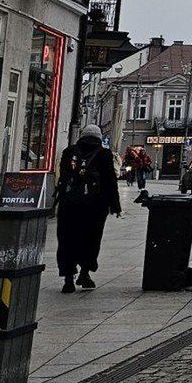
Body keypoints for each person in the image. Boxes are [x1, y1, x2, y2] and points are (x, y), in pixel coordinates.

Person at [56, 125, 121, 293]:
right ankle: (84, 274)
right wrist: (115, 205)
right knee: (91, 239)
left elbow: (63, 177)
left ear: (82, 136)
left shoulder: (69, 152)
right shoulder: (104, 154)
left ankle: (68, 279)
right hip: (95, 206)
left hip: (69, 205)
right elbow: (110, 181)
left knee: (67, 239)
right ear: (99, 138)